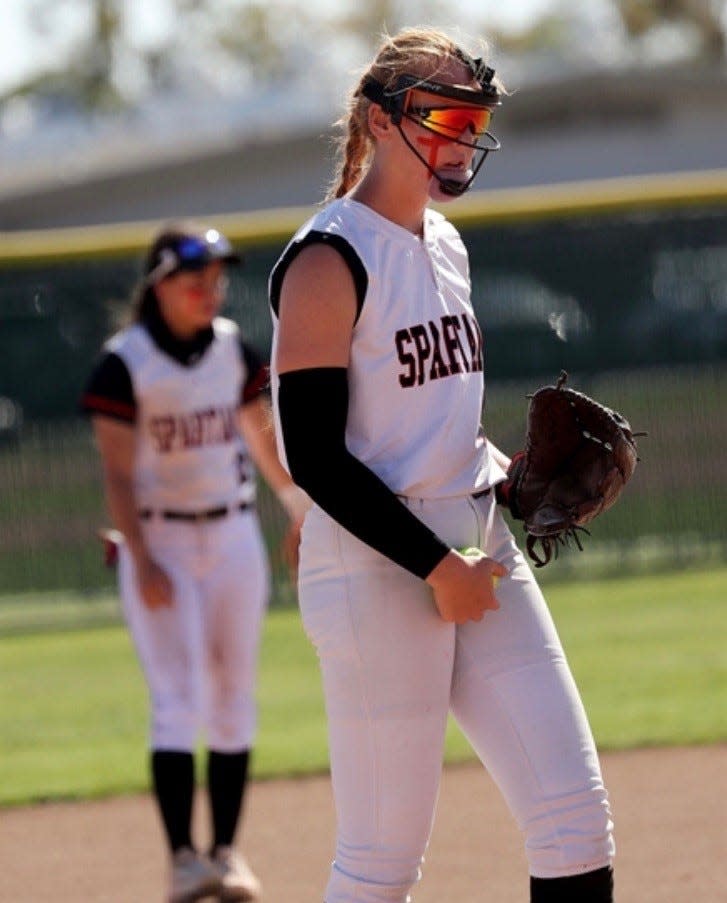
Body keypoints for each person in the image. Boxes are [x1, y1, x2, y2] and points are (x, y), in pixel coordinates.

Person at [268, 26, 615, 903]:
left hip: (476, 539)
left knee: (574, 822)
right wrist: (430, 564)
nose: (464, 134)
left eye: (476, 117)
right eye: (447, 113)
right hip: (374, 559)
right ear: (381, 121)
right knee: (381, 859)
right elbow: (313, 454)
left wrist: (504, 471)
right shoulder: (327, 257)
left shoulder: (447, 244)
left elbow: (428, 416)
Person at [81, 222, 310, 903]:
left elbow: (260, 436)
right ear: (159, 286)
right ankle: (184, 860)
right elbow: (119, 476)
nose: (209, 291)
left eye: (215, 279)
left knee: (235, 696)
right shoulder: (125, 362)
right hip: (161, 542)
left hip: (233, 534)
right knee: (178, 701)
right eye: (193, 279)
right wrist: (144, 559)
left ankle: (227, 853)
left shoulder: (232, 349)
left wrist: (298, 507)